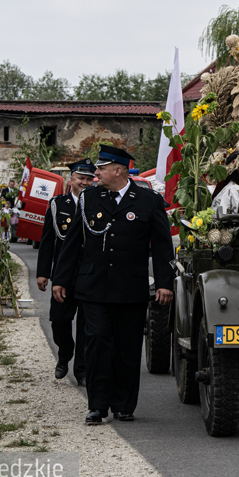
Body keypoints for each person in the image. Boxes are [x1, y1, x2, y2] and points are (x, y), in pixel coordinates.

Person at [53, 145, 174, 425]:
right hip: (93, 287)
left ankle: (123, 404)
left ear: (117, 170)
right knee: (96, 343)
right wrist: (61, 279)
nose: (95, 174)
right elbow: (72, 243)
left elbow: (163, 246)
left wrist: (164, 284)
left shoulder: (147, 200)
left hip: (129, 288)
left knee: (127, 347)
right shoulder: (89, 199)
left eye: (101, 169)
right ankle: (97, 405)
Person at [37, 159, 95, 387]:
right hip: (64, 274)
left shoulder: (97, 204)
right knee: (59, 319)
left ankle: (81, 370)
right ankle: (64, 352)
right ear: (71, 180)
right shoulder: (57, 205)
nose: (86, 182)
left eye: (90, 178)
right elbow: (47, 241)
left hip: (89, 273)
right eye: (81, 178)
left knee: (86, 326)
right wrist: (43, 273)